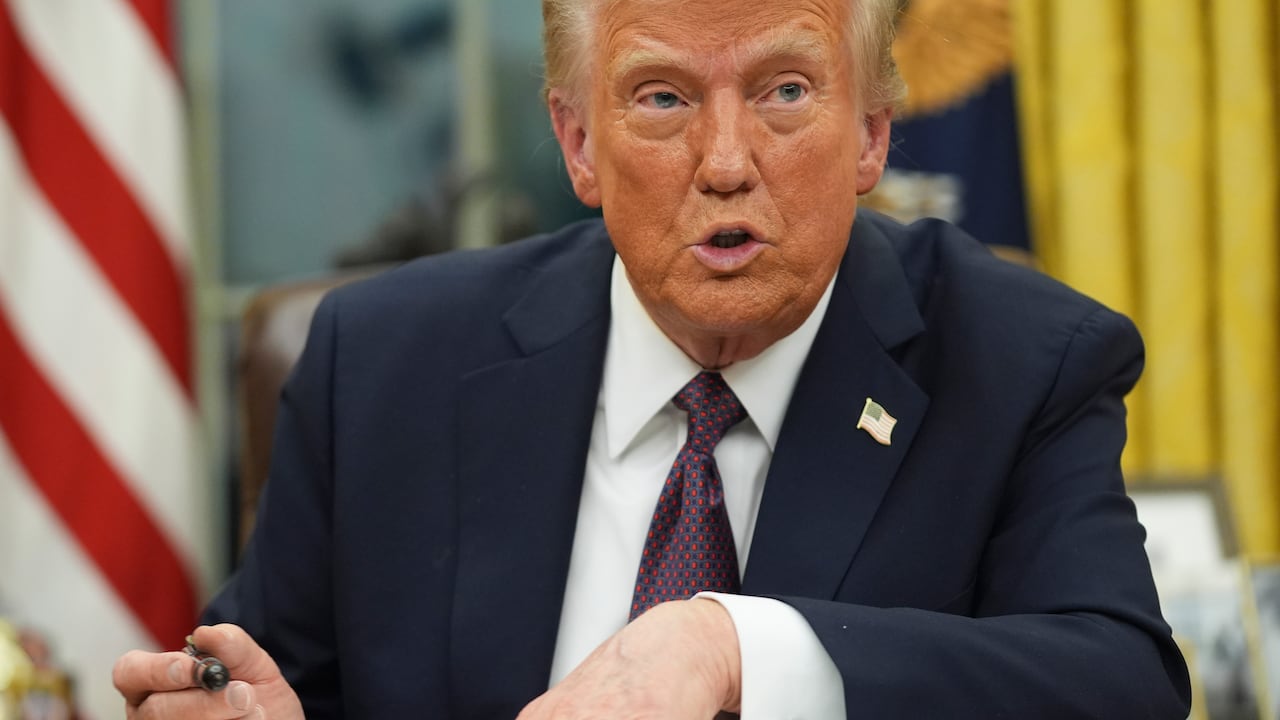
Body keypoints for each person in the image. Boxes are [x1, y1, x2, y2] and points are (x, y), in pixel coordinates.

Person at [113, 0, 1192, 717]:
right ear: (578, 144)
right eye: (663, 98)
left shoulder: (1017, 363)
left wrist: (736, 647)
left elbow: (1116, 684)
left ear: (870, 132)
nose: (724, 163)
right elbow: (264, 682)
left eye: (782, 91)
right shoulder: (384, 367)